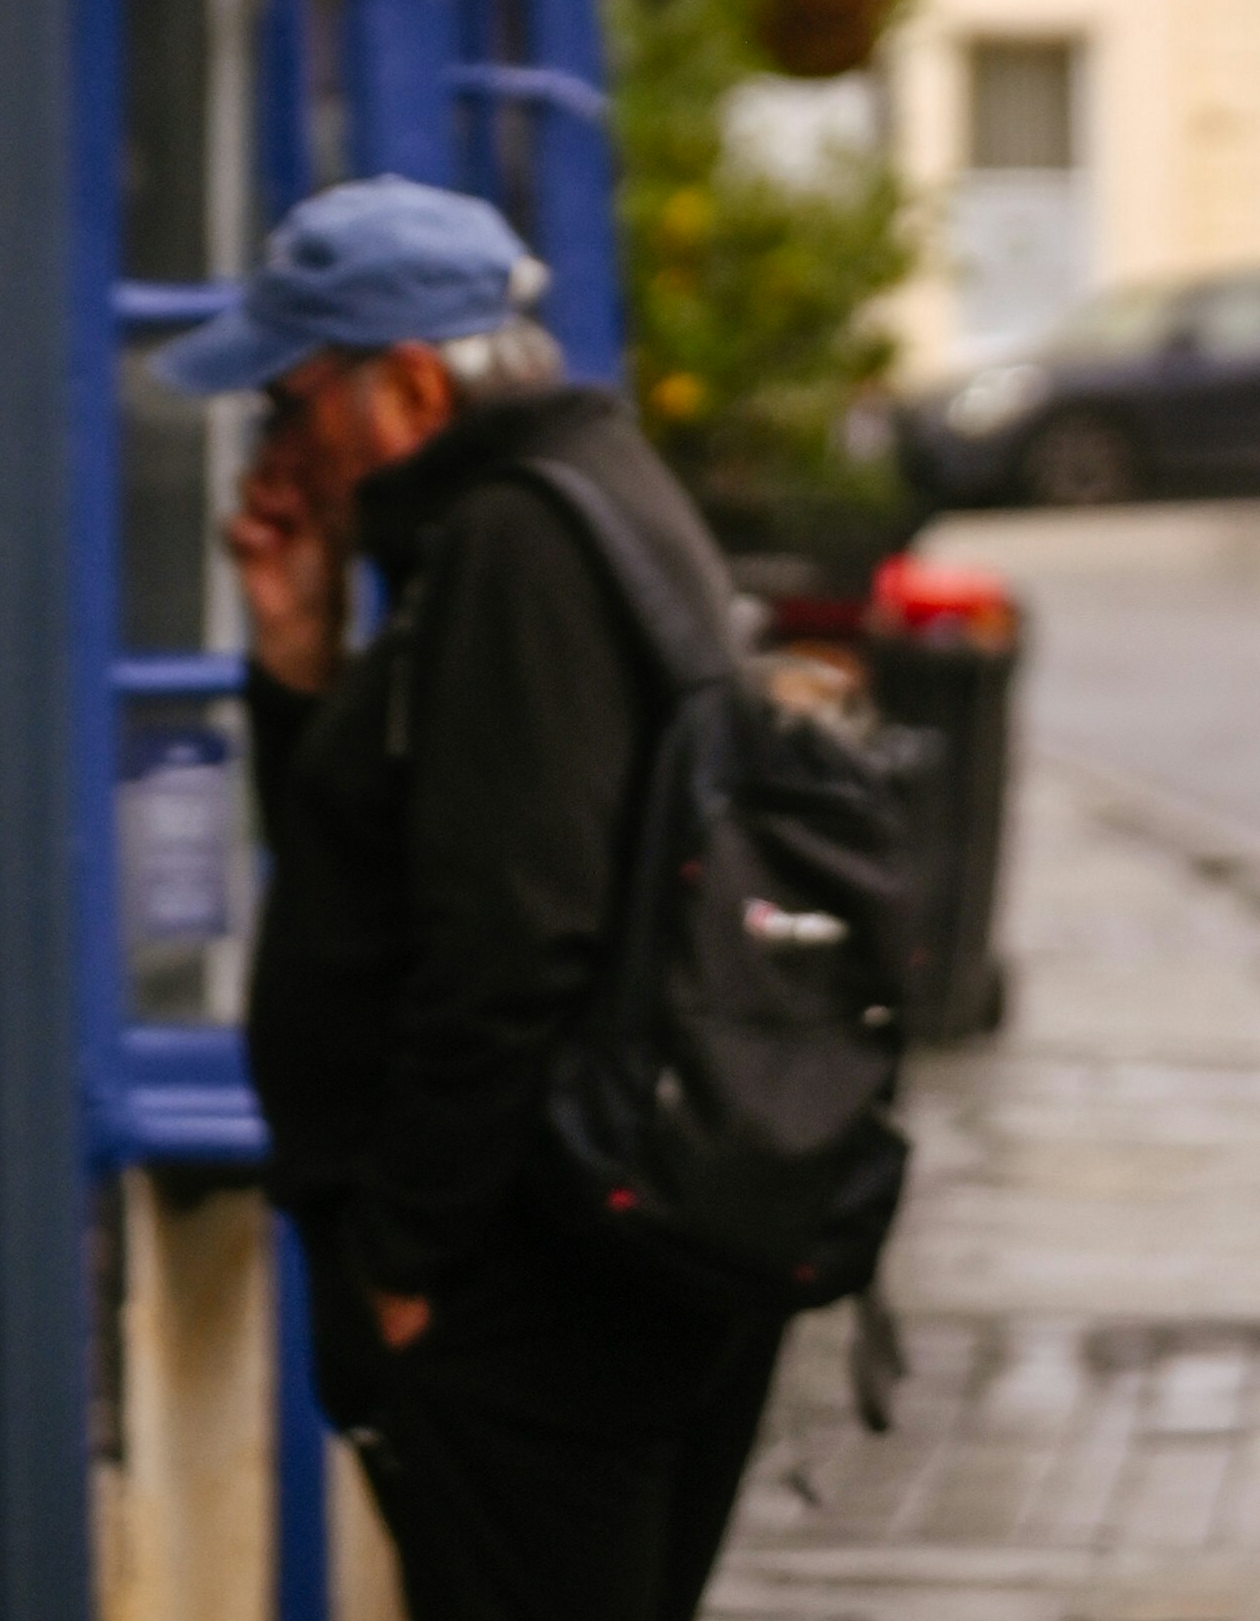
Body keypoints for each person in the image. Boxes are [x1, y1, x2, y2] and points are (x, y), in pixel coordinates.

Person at [160, 170, 791, 1621]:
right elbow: (380, 863)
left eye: (294, 405)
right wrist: (301, 651)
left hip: (533, 1290)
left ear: (410, 390)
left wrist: (407, 1262)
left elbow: (516, 936)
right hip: (587, 1264)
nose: (277, 449)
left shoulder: (516, 549)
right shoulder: (569, 503)